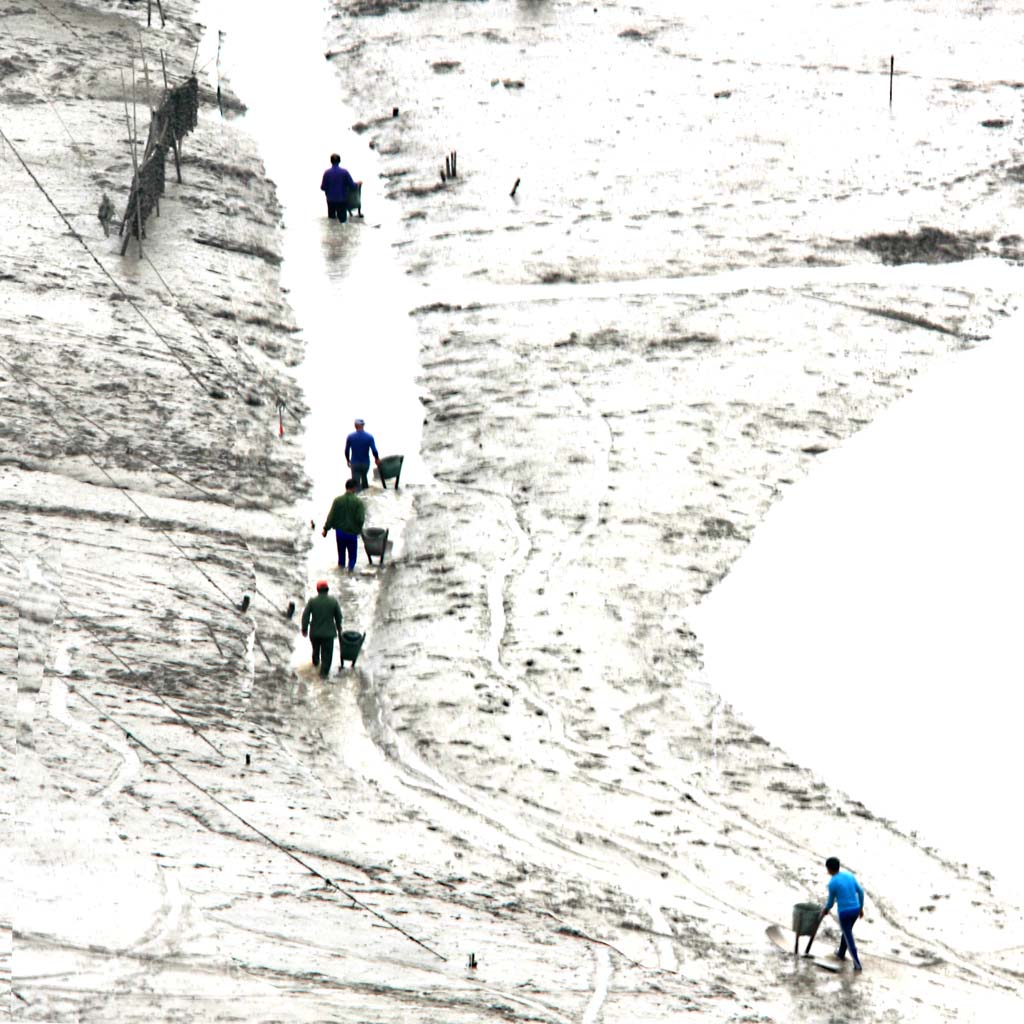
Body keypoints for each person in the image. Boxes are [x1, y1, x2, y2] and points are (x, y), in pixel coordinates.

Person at [819, 856, 865, 971]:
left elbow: (830, 902)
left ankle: (857, 964)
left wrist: (825, 910)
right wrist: (861, 908)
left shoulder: (832, 883)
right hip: (855, 910)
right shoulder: (849, 876)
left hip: (844, 913)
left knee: (849, 937)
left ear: (829, 869)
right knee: (847, 931)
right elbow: (860, 892)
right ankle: (841, 953)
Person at [300, 580, 343, 678]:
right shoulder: (333, 601)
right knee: (327, 656)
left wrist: (304, 629)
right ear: (327, 589)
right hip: (328, 635)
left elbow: (305, 616)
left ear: (317, 590)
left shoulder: (312, 601)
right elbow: (339, 617)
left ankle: (315, 665)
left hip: (314, 633)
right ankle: (323, 675)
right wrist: (339, 628)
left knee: (315, 651)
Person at [322, 479, 366, 572]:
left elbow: (331, 516)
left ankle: (341, 577)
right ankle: (350, 575)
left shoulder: (337, 500)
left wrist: (326, 529)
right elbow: (360, 519)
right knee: (352, 558)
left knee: (341, 557)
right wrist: (359, 530)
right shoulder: (358, 502)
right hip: (352, 534)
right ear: (354, 488)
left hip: (340, 533)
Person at [345, 418, 380, 491]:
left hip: (354, 463)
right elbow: (374, 450)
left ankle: (358, 497)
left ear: (355, 426)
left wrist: (348, 460)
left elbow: (346, 451)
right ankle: (366, 494)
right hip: (365, 463)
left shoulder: (350, 437)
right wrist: (377, 459)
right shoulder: (369, 437)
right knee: (364, 478)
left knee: (356, 484)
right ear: (363, 425)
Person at [320, 154, 356, 222]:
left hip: (330, 201)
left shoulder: (327, 173)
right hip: (341, 200)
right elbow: (352, 186)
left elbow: (323, 187)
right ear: (339, 161)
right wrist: (357, 184)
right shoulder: (344, 172)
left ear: (331, 161)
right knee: (342, 221)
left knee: (331, 222)